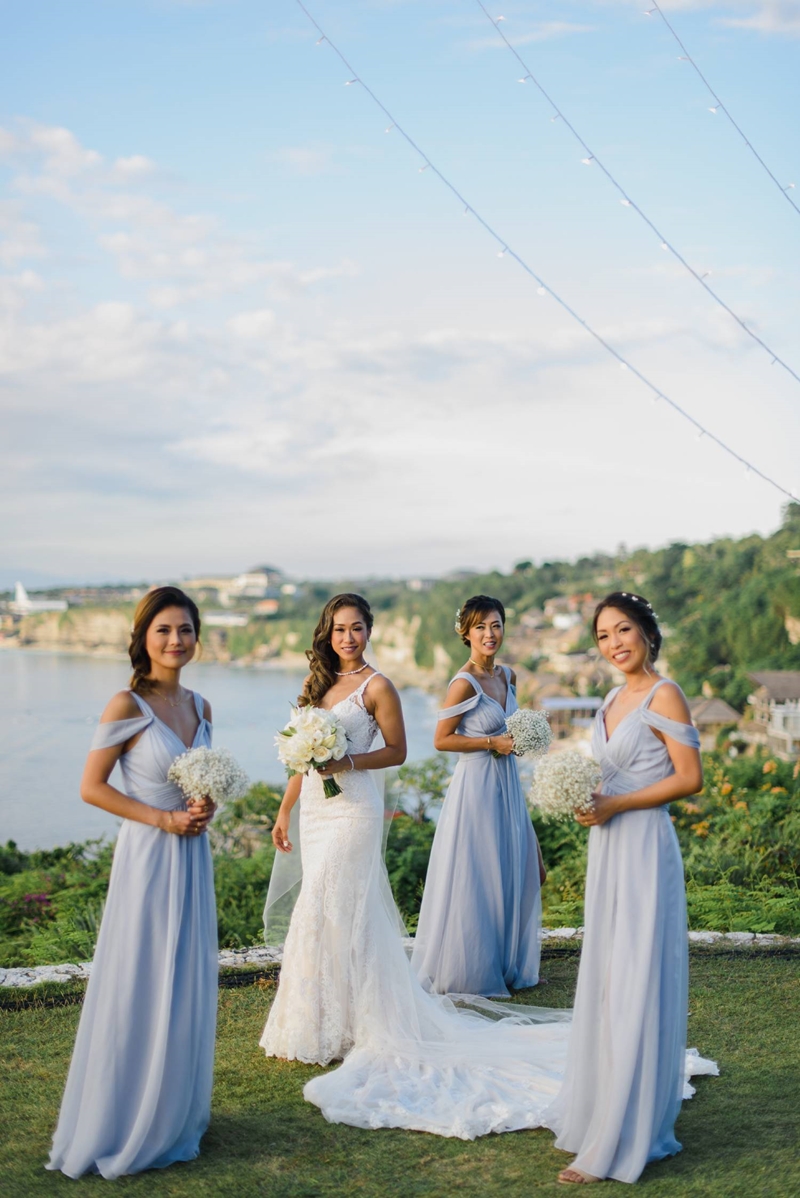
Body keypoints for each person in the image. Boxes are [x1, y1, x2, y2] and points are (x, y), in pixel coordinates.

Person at [47, 586, 218, 1180]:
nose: (176, 641)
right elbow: (92, 787)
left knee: (188, 974)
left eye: (186, 630)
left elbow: (198, 782)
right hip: (148, 857)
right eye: (165, 630)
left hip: (194, 858)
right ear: (144, 636)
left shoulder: (202, 707)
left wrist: (202, 809)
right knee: (141, 974)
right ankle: (124, 1115)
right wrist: (166, 818)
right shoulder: (125, 704)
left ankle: (173, 1110)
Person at [547, 591, 717, 1185]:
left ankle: (630, 1130)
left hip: (645, 845)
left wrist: (617, 804)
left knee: (638, 975)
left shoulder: (663, 692)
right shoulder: (612, 697)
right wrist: (586, 801)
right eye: (603, 635)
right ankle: (605, 1110)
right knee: (608, 975)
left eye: (624, 630)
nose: (615, 643)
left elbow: (689, 778)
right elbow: (609, 774)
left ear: (647, 632)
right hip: (609, 847)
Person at [411, 595, 545, 996]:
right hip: (477, 789)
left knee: (514, 866)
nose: (490, 634)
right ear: (465, 633)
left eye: (496, 625)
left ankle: (506, 963)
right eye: (481, 627)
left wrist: (519, 742)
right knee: (479, 870)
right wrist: (492, 742)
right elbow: (441, 739)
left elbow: (513, 731)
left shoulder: (509, 677)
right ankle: (470, 968)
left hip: (508, 784)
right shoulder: (462, 683)